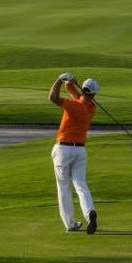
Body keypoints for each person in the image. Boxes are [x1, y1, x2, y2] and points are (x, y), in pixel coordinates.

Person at [49, 72, 99, 234]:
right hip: (80, 151)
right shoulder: (91, 108)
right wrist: (70, 83)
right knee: (80, 184)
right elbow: (77, 94)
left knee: (63, 186)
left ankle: (70, 223)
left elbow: (53, 98)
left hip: (63, 150)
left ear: (82, 89)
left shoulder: (73, 106)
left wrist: (59, 80)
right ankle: (89, 212)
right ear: (94, 94)